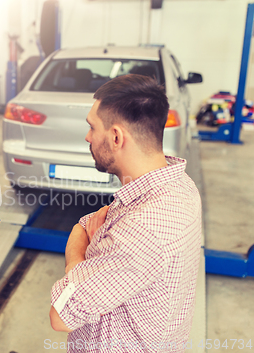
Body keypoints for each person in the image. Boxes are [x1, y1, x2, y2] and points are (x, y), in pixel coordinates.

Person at [49, 74, 202, 352]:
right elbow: (83, 226)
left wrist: (78, 263)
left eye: (92, 127)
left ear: (116, 136)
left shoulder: (143, 227)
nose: (87, 136)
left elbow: (61, 315)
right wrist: (93, 257)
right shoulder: (178, 184)